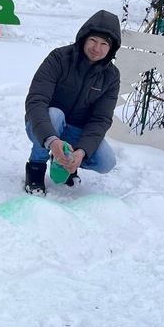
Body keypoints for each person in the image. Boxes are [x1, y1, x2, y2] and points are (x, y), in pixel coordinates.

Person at [23, 10, 122, 195]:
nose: (96, 48)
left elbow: (100, 119)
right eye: (93, 40)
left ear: (111, 49)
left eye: (104, 44)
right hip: (43, 126)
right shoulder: (59, 59)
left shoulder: (111, 76)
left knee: (106, 161)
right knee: (55, 115)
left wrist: (82, 151)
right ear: (84, 38)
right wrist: (52, 141)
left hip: (75, 132)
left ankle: (66, 161)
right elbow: (37, 101)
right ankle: (36, 167)